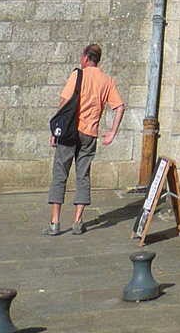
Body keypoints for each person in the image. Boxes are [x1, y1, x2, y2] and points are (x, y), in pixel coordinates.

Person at [46, 42, 124, 236]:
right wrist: (112, 132)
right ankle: (77, 221)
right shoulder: (107, 80)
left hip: (70, 130)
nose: (80, 60)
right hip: (90, 134)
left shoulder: (77, 75)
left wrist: (55, 131)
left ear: (87, 58)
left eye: (82, 57)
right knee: (83, 175)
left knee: (59, 174)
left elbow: (64, 103)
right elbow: (120, 107)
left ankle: (55, 222)